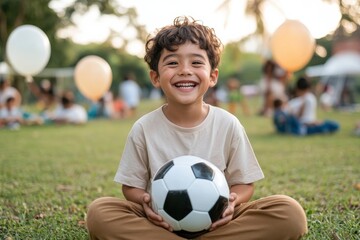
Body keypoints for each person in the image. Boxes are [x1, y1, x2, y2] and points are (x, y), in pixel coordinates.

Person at [86, 16, 308, 240]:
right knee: (99, 212)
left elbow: (244, 184)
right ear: (155, 77)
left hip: (219, 222)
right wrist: (145, 201)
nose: (184, 70)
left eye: (196, 62)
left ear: (212, 76)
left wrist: (233, 201)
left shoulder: (228, 124)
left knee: (289, 213)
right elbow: (130, 187)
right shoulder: (144, 128)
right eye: (172, 63)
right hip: (161, 224)